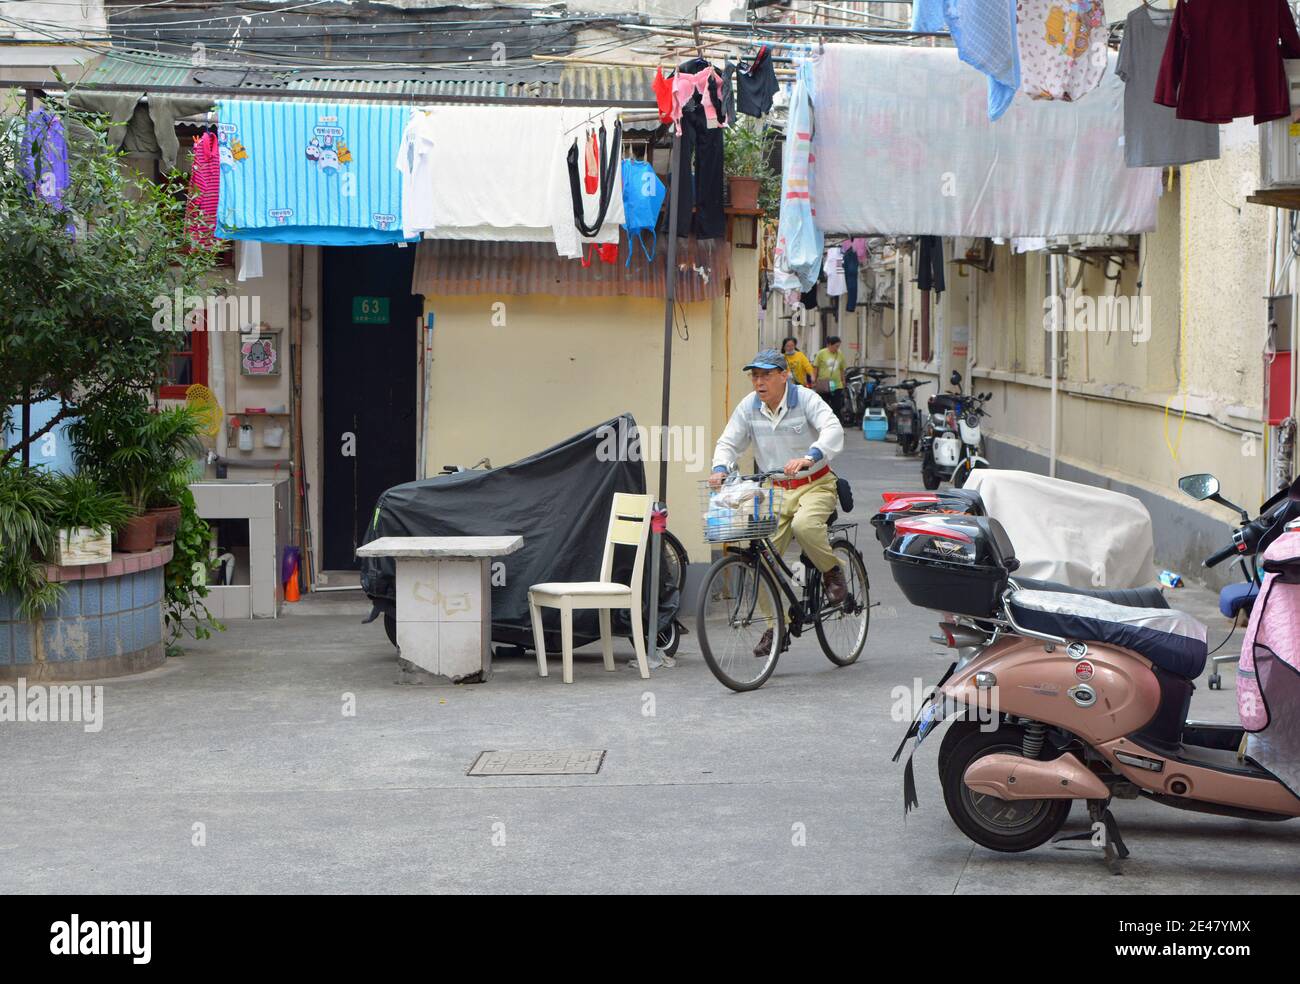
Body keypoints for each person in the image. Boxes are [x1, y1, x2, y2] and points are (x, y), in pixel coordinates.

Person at [710, 348, 848, 657]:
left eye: (766, 376)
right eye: (754, 376)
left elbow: (832, 428)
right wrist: (720, 467)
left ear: (784, 376)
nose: (759, 382)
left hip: (816, 484)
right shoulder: (750, 407)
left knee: (805, 526)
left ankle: (832, 571)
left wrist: (811, 455)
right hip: (776, 490)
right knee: (759, 557)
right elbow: (728, 441)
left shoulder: (806, 399)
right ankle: (777, 626)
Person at [813, 335, 847, 418]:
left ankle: (837, 425)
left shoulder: (840, 354)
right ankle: (824, 423)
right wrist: (814, 380)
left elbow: (842, 369)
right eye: (836, 346)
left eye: (838, 346)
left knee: (837, 406)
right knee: (824, 405)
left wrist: (843, 380)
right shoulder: (821, 353)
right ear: (829, 345)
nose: (837, 348)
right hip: (823, 384)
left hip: (837, 384)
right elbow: (816, 367)